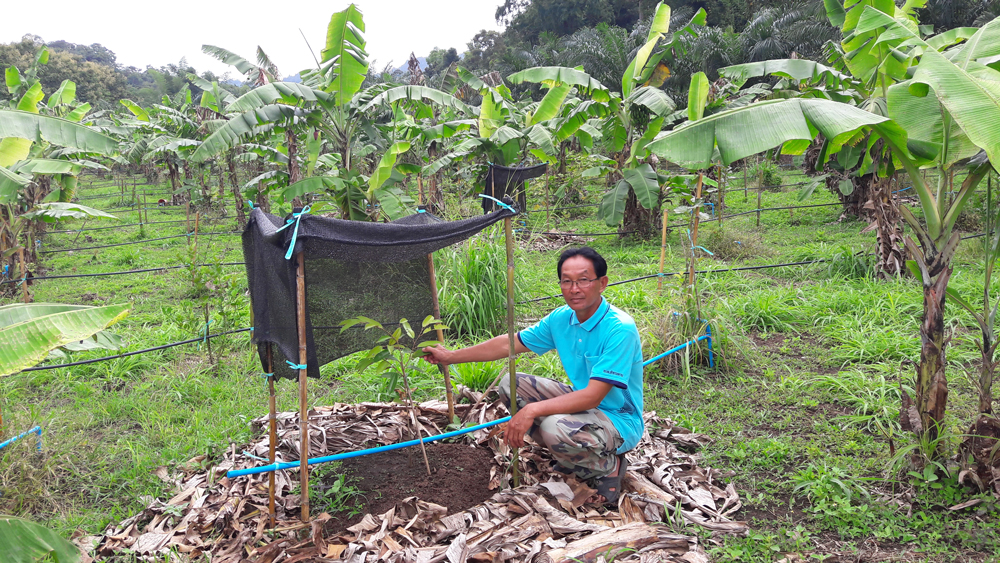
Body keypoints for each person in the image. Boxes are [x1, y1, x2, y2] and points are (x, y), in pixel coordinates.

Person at [423, 246, 644, 505]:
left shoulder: (620, 329)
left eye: (584, 280)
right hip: (581, 404)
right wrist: (451, 356)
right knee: (511, 384)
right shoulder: (562, 318)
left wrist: (530, 412)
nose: (574, 289)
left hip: (619, 420)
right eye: (567, 281)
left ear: (602, 283)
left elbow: (593, 396)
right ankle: (569, 451)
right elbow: (509, 344)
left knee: (552, 427)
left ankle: (608, 466)